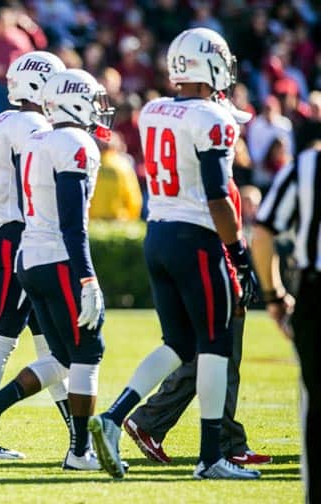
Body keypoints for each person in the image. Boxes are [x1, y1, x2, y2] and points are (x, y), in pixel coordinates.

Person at [88, 28, 261, 480]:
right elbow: (218, 196)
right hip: (196, 239)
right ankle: (210, 458)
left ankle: (112, 417)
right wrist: (238, 254)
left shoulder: (154, 110)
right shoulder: (212, 117)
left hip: (158, 234)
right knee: (215, 346)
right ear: (212, 66)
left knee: (178, 344)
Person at [0, 68, 114, 471]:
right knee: (87, 351)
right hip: (56, 257)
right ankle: (80, 452)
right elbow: (73, 222)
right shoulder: (72, 141)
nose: (100, 110)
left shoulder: (32, 135)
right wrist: (87, 276)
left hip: (27, 255)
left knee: (61, 355)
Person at [0, 50, 69, 461]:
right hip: (21, 237)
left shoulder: (5, 119)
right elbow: (35, 185)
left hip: (6, 232)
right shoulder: (32, 124)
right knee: (4, 339)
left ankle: (76, 433)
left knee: (50, 347)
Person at [124, 179, 271, 466]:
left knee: (199, 358)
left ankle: (149, 422)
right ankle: (227, 444)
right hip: (212, 274)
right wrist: (236, 277)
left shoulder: (192, 179)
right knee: (220, 360)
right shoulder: (217, 181)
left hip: (187, 264)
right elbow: (219, 234)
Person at [252, 141, 321, 503]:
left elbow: (262, 235)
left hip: (315, 292)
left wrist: (274, 295)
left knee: (317, 406)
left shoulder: (306, 167)